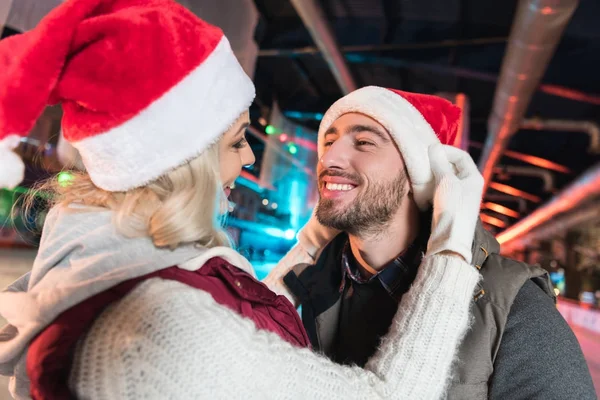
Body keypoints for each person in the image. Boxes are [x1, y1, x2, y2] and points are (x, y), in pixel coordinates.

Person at [0, 0, 484, 399]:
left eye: (365, 142)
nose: (250, 158)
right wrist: (450, 251)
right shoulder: (153, 331)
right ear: (178, 164)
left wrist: (311, 243)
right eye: (235, 141)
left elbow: (244, 315)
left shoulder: (106, 262)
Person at [266, 87, 597, 399]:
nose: (328, 158)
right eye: (329, 141)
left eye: (364, 143)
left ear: (416, 174)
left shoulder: (512, 306)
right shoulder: (304, 284)